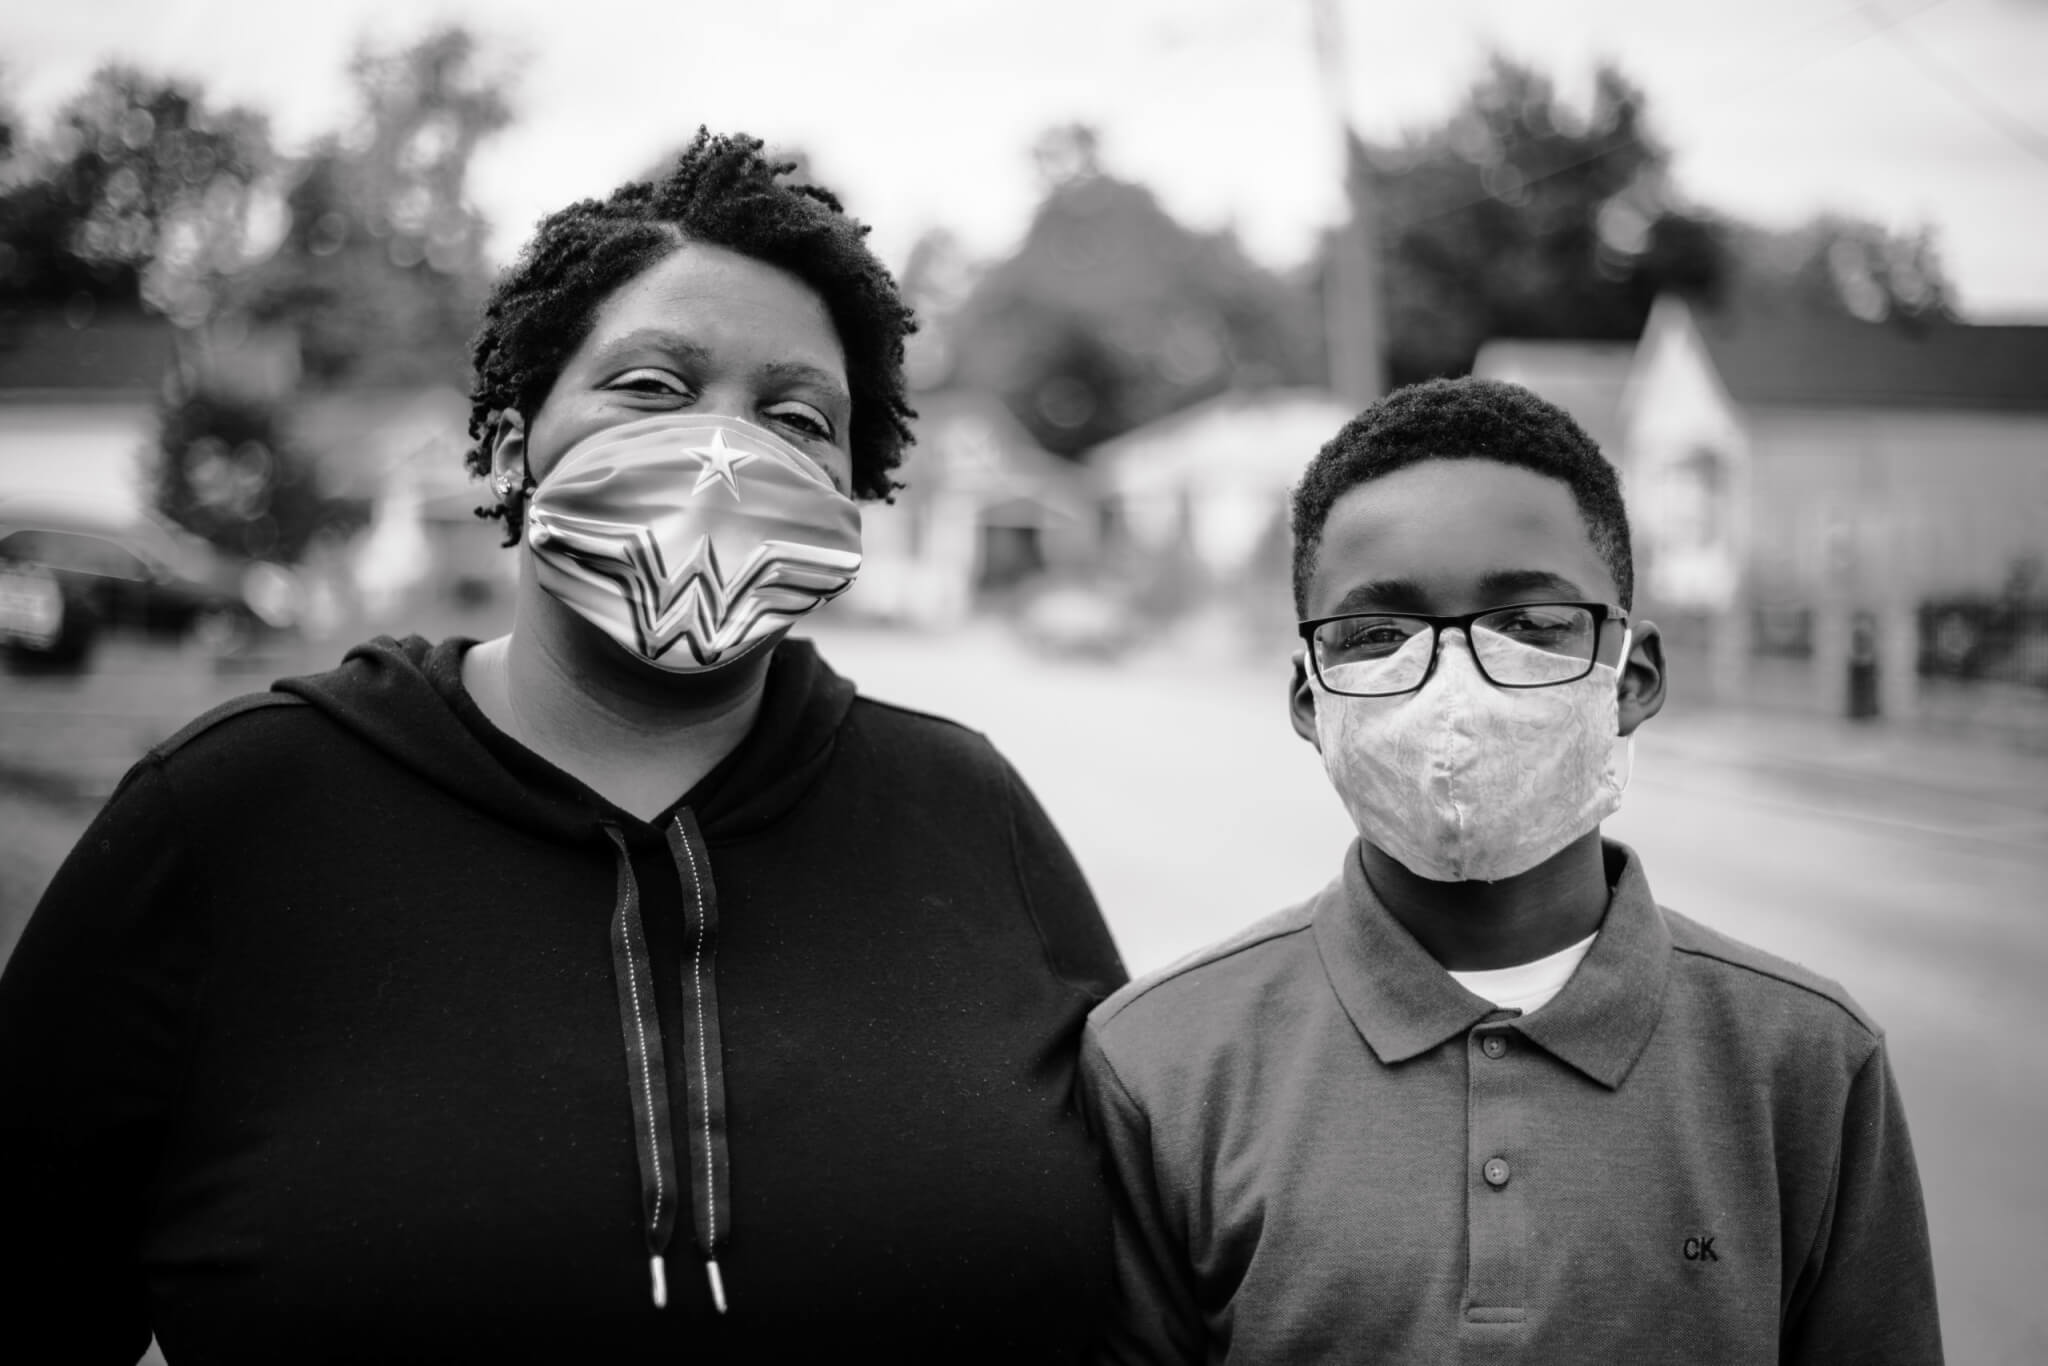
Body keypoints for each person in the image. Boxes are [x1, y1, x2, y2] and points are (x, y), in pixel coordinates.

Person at [0, 130, 1126, 1364]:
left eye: (797, 415)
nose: (725, 452)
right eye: (650, 386)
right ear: (503, 445)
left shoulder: (967, 812)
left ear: (855, 492)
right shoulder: (232, 813)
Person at [1079, 377, 1942, 1364]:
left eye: (1530, 624)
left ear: (1633, 676)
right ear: (1310, 700)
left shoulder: (1805, 1061)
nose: (1455, 687)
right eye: (1375, 634)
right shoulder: (1159, 1063)